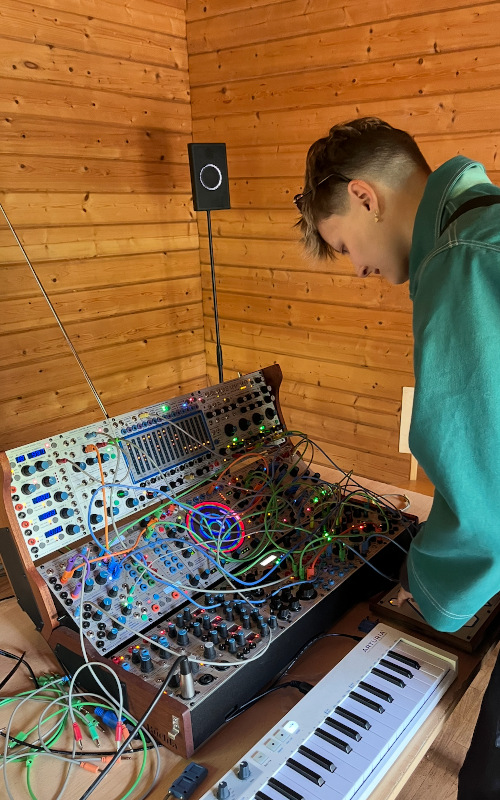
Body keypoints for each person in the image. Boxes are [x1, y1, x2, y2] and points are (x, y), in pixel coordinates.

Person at [293, 117, 500, 799]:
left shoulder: (461, 259)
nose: (358, 269)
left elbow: (485, 500)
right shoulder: (485, 218)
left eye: (346, 245)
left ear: (364, 195)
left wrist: (424, 588)